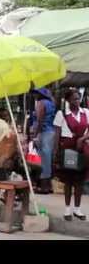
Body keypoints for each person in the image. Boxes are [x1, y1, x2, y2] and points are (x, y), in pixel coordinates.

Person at [53, 88, 89, 221]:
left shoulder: (86, 112)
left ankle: (77, 209)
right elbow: (57, 134)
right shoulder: (61, 114)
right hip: (67, 149)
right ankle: (67, 209)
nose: (77, 101)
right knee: (68, 180)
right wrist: (55, 152)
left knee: (79, 181)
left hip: (82, 149)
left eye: (78, 98)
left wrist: (82, 139)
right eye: (74, 99)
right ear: (67, 100)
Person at [30, 88, 57, 194]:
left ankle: (44, 187)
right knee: (47, 159)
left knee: (42, 160)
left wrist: (35, 135)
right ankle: (48, 185)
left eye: (36, 93)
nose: (34, 96)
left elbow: (40, 120)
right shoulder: (51, 102)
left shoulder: (41, 103)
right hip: (51, 132)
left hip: (44, 133)